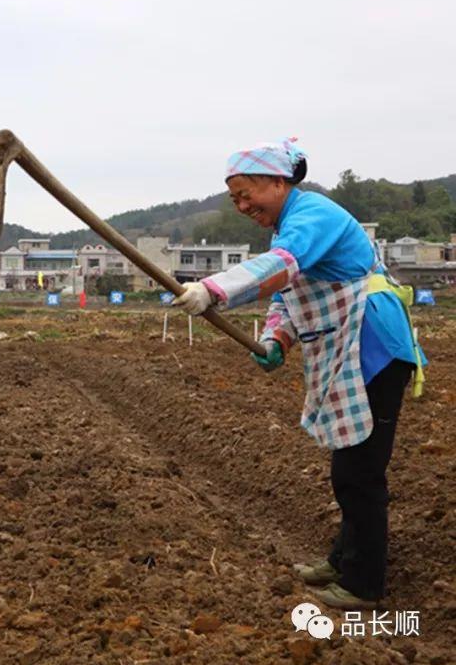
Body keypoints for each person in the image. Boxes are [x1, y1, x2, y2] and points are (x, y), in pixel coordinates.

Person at [173, 138, 425, 610]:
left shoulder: (313, 216)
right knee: (348, 461)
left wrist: (213, 289)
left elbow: (280, 268)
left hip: (372, 342)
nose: (244, 206)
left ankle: (363, 583)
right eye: (235, 200)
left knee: (361, 470)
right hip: (344, 346)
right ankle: (343, 558)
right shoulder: (288, 228)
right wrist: (276, 339)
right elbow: (285, 297)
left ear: (278, 182)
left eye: (249, 194)